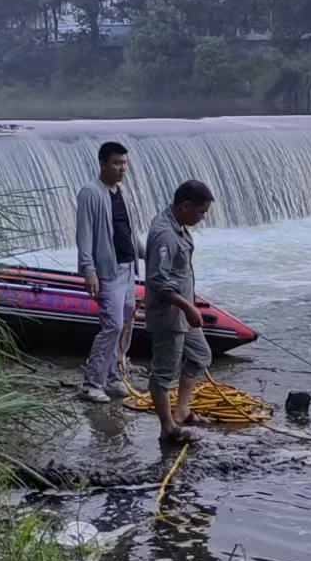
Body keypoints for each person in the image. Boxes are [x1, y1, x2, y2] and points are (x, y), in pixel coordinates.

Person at [144, 179, 215, 441]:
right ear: (185, 206)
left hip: (184, 311)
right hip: (169, 315)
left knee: (200, 355)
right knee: (164, 372)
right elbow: (157, 280)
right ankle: (168, 428)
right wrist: (187, 306)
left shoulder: (178, 226)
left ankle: (182, 410)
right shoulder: (165, 235)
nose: (202, 217)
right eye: (201, 212)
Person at [76, 140, 141, 404]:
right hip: (107, 271)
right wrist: (88, 270)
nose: (122, 168)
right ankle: (91, 383)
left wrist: (148, 252)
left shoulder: (122, 192)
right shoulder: (90, 193)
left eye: (125, 163)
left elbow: (129, 232)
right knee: (112, 326)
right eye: (117, 163)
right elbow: (84, 235)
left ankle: (114, 377)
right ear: (102, 163)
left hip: (128, 268)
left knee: (126, 325)